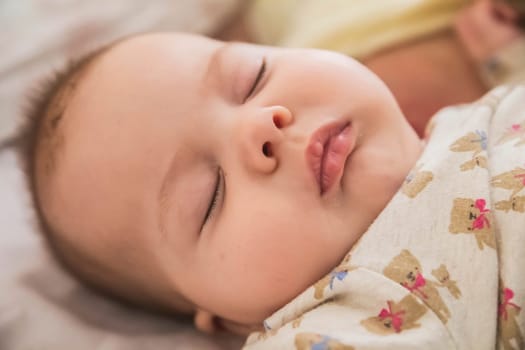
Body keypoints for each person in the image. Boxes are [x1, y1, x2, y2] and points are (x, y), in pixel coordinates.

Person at [11, 29, 525, 349]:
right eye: (210, 195)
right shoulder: (356, 316)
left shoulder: (467, 120)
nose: (260, 126)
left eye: (252, 77)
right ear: (230, 321)